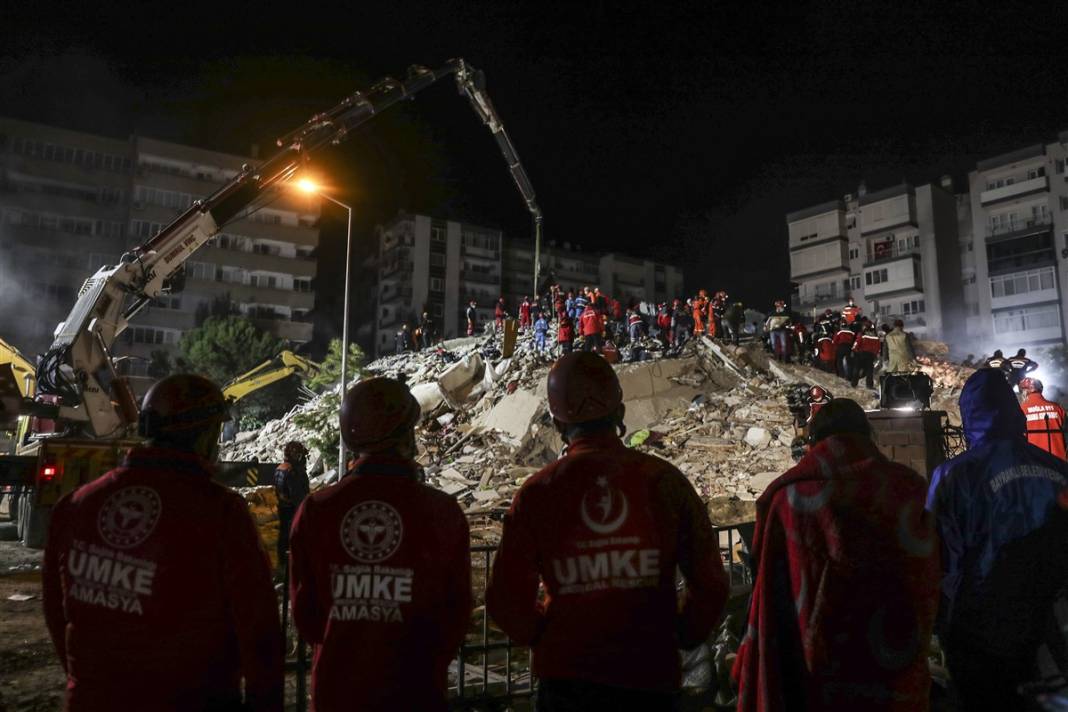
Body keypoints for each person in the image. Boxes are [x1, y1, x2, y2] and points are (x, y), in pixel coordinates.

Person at [487, 352, 728, 711]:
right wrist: (680, 632)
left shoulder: (537, 493)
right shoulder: (662, 481)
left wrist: (547, 637)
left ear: (557, 421)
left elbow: (505, 601)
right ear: (620, 411)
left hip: (567, 686)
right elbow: (710, 583)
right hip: (650, 678)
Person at [43, 375, 283, 711]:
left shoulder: (77, 504)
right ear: (207, 435)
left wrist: (88, 681)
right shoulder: (220, 512)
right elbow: (258, 629)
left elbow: (56, 611)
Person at [735, 400, 938, 711]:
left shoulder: (787, 499)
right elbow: (925, 571)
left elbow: (770, 590)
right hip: (891, 659)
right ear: (867, 435)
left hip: (814, 666)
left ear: (814, 441)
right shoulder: (905, 487)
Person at [289, 377, 472, 712]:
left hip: (337, 693)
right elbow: (456, 615)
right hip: (416, 693)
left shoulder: (317, 510)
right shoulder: (441, 512)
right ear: (407, 434)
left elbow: (306, 616)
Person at [927, 370, 1068, 709]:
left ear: (970, 413)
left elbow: (934, 549)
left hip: (983, 622)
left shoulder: (953, 475)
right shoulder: (1058, 469)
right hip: (1054, 618)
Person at [274, 440, 311, 573]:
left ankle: (282, 563)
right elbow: (298, 496)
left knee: (283, 535)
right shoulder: (293, 472)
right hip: (293, 510)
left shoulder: (280, 467)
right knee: (294, 536)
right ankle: (291, 566)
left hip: (283, 508)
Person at [1020, 377, 1067, 460]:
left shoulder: (1021, 409)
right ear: (1041, 389)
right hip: (1059, 461)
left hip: (1035, 461)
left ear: (1025, 391)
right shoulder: (1058, 408)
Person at [850, 319, 882, 389]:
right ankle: (869, 385)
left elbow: (857, 343)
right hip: (871, 355)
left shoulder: (862, 334)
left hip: (861, 354)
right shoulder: (875, 336)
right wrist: (876, 354)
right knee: (869, 371)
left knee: (857, 369)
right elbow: (878, 347)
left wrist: (854, 350)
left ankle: (854, 384)